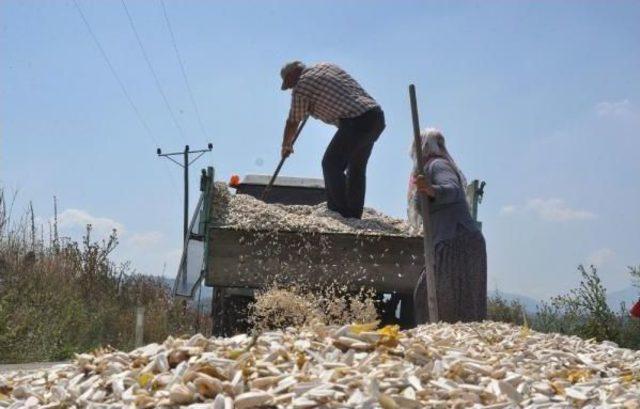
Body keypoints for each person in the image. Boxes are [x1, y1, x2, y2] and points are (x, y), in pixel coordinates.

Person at [279, 61, 385, 219]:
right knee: (356, 169)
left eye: (289, 84)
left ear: (293, 73)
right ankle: (353, 216)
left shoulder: (301, 85)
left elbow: (293, 120)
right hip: (374, 117)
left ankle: (339, 213)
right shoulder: (327, 67)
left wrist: (286, 144)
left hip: (355, 120)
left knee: (331, 164)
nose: (291, 89)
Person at [409, 128, 487, 324]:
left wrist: (430, 189)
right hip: (455, 240)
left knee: (443, 305)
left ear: (422, 148)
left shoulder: (438, 165)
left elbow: (452, 190)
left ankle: (452, 349)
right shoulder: (431, 169)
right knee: (435, 301)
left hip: (456, 242)